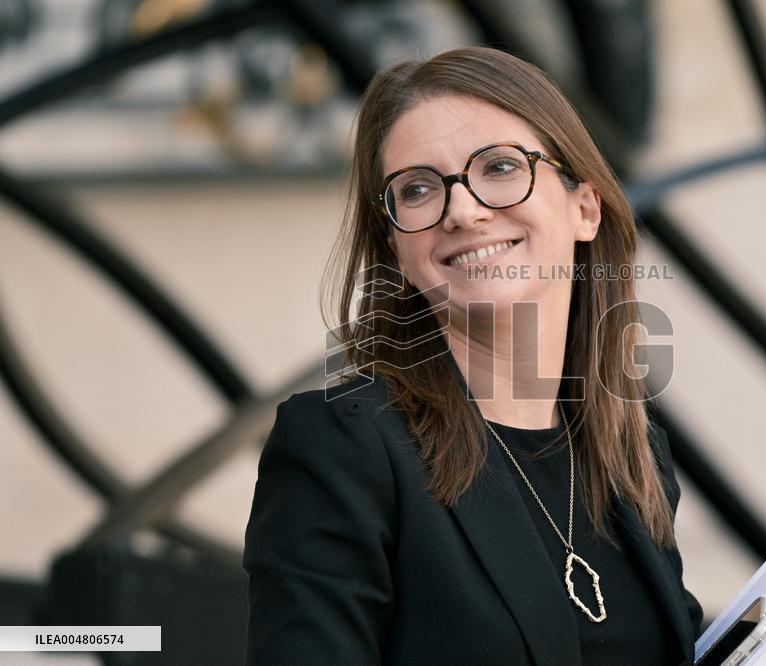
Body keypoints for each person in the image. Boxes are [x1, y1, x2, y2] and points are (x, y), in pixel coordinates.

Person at [242, 46, 703, 665]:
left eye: (502, 167)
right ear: (396, 248)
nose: (461, 210)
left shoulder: (634, 452)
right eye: (418, 189)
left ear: (584, 208)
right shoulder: (342, 446)